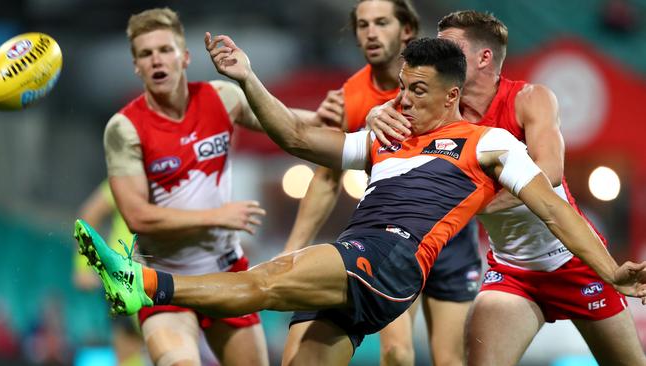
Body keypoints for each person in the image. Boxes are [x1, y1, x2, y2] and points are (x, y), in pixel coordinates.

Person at [76, 35, 646, 366]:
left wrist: (610, 269)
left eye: (418, 90)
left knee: (269, 279)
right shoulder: (383, 138)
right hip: (360, 263)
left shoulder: (491, 142)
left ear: (452, 94)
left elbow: (554, 207)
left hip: (392, 258)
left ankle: (146, 286)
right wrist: (248, 78)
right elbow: (297, 138)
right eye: (401, 87)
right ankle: (145, 286)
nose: (404, 99)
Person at [365, 10, 646, 366]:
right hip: (512, 272)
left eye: (449, 47)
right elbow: (377, 124)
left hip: (575, 262)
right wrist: (373, 117)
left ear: (484, 58)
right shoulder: (440, 111)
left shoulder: (530, 99)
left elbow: (549, 173)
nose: (439, 55)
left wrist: (470, 202)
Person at [284, 2, 480, 364]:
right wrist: (294, 246)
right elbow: (327, 177)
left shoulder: (445, 74)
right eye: (362, 25)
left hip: (451, 241)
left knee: (449, 359)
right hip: (394, 239)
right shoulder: (352, 97)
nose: (371, 33)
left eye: (381, 23)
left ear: (407, 29)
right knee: (397, 352)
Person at [101, 8, 274, 366]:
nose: (156, 60)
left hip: (225, 273)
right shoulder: (124, 128)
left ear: (185, 56)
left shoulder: (223, 98)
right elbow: (137, 217)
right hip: (163, 277)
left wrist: (340, 116)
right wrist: (218, 216)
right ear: (136, 66)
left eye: (165, 49)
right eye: (146, 54)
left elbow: (288, 125)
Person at [74, 181, 146, 366]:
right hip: (121, 281)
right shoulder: (125, 179)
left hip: (156, 278)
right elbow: (89, 214)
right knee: (128, 351)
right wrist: (82, 266)